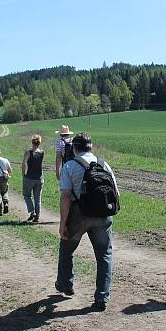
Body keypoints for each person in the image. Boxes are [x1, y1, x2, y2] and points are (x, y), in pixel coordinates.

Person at [56, 132, 118, 311]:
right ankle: (102, 297)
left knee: (67, 248)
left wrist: (63, 224)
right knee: (104, 254)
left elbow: (66, 196)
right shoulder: (103, 164)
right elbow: (116, 193)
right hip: (102, 214)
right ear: (91, 146)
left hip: (79, 213)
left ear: (74, 148)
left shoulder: (70, 166)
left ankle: (66, 285)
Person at [22, 134, 45, 222]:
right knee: (37, 197)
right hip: (39, 178)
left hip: (30, 177)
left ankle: (32, 212)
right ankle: (37, 214)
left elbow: (24, 163)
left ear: (32, 142)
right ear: (39, 143)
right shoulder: (42, 152)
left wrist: (23, 174)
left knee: (26, 195)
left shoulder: (28, 152)